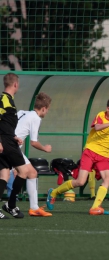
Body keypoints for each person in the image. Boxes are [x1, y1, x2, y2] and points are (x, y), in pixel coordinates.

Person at [46, 98, 109, 215]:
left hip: (104, 155)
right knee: (80, 181)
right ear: (108, 109)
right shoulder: (101, 115)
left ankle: (95, 207)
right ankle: (53, 193)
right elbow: (97, 127)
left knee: (108, 179)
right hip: (90, 151)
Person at [10, 93, 52, 217]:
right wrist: (45, 148)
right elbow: (34, 142)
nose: (47, 112)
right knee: (4, 175)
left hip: (10, 146)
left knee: (32, 173)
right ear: (44, 108)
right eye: (48, 109)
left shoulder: (23, 112)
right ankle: (22, 206)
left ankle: (34, 208)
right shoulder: (36, 118)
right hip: (11, 148)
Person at [0, 73, 30, 219]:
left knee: (5, 174)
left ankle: (8, 205)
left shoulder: (9, 101)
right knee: (24, 171)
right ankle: (10, 205)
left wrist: (14, 136)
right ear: (15, 84)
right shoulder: (4, 100)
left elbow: (5, 125)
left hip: (8, 139)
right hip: (4, 142)